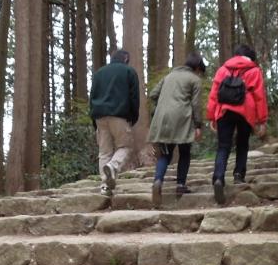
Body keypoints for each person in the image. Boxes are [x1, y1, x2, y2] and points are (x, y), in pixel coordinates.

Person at [206, 43, 268, 206]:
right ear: (250, 57)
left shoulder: (223, 69)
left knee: (223, 146)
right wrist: (261, 120)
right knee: (242, 144)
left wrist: (211, 116)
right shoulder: (254, 71)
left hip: (224, 109)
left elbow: (214, 94)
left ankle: (218, 177)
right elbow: (259, 96)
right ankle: (239, 175)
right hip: (246, 110)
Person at [147, 52, 207, 206]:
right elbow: (196, 104)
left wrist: (161, 107)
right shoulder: (194, 79)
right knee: (185, 152)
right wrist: (198, 125)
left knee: (165, 155)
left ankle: (158, 181)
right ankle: (180, 185)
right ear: (197, 68)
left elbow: (153, 94)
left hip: (163, 118)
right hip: (182, 118)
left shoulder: (169, 76)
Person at [89, 48, 140, 195]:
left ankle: (105, 187)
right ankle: (113, 166)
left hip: (99, 116)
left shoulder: (99, 73)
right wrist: (133, 117)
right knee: (126, 146)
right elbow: (134, 97)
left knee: (104, 152)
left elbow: (92, 97)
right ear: (126, 58)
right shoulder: (129, 72)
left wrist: (94, 120)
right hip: (119, 115)